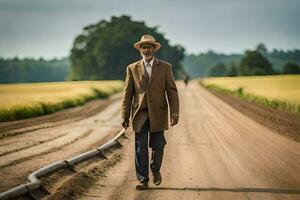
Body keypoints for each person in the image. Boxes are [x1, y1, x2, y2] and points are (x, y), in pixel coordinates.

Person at [120, 35, 180, 190]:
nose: (146, 50)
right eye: (143, 47)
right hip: (140, 113)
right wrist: (124, 116)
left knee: (158, 145)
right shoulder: (132, 68)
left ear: (154, 49)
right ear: (140, 50)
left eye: (149, 47)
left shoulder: (165, 67)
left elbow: (172, 91)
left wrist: (174, 113)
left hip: (159, 113)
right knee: (140, 146)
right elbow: (127, 93)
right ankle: (143, 179)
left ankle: (155, 168)